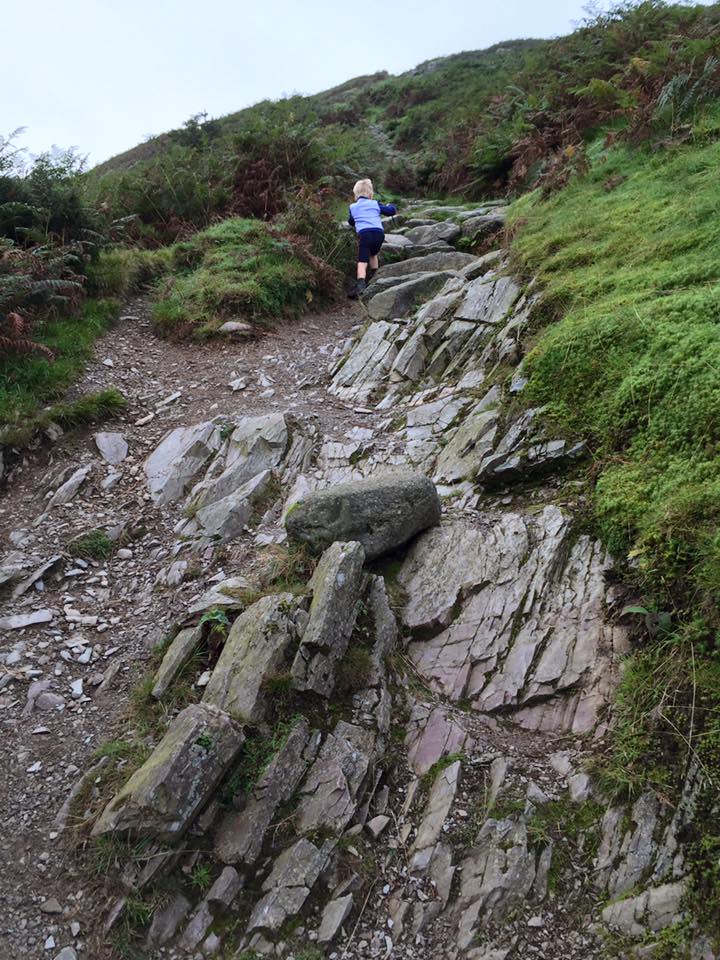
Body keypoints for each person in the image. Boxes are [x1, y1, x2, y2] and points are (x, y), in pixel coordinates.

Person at [347, 179, 397, 299]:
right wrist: (391, 205)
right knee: (373, 254)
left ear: (355, 194)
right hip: (379, 234)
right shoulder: (375, 203)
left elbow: (351, 221)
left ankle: (361, 284)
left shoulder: (353, 207)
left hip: (365, 235)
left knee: (362, 261)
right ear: (370, 194)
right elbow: (391, 212)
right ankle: (375, 276)